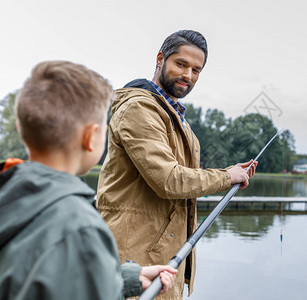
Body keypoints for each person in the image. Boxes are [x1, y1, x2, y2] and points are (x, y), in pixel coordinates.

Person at [97, 30, 257, 299]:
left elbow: (185, 177)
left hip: (163, 262)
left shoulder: (175, 116)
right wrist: (226, 177)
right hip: (133, 261)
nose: (188, 76)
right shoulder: (139, 109)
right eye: (181, 64)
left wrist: (231, 173)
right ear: (160, 59)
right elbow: (170, 180)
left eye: (196, 70)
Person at [0, 61, 178, 299]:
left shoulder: (10, 196)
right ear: (90, 137)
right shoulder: (80, 227)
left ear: (21, 127)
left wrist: (124, 278)